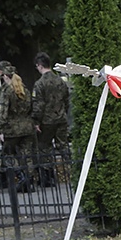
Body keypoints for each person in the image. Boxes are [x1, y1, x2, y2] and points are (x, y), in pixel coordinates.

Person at [32, 52, 71, 187]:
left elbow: (38, 104)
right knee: (63, 145)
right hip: (61, 118)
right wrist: (63, 113)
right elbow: (66, 100)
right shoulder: (60, 81)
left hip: (47, 121)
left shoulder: (39, 84)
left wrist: (36, 121)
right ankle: (73, 171)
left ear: (40, 65)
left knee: (45, 148)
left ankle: (48, 177)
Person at [0, 62, 36, 190]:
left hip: (12, 128)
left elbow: (3, 111)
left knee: (8, 155)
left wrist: (0, 129)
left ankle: (21, 176)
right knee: (27, 155)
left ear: (6, 77)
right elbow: (32, 109)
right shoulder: (26, 91)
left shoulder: (7, 91)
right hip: (27, 126)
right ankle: (29, 181)